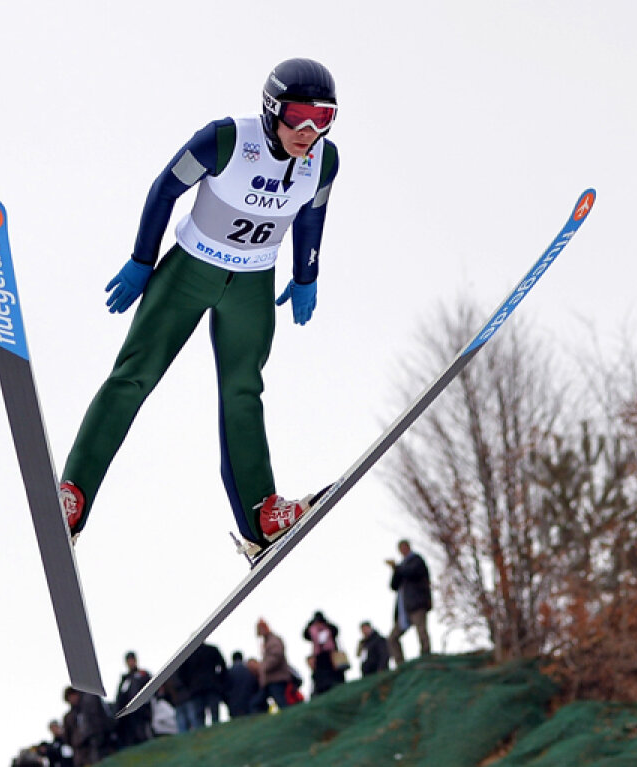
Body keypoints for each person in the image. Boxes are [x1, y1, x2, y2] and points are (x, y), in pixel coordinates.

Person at [56, 57, 341, 554]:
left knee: (243, 392)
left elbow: (313, 216)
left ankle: (262, 520)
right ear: (273, 108)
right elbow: (166, 188)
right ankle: (73, 493)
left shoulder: (325, 160)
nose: (310, 130)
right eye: (299, 114)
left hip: (252, 285)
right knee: (133, 375)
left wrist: (306, 276)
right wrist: (142, 260)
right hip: (190, 271)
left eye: (324, 117)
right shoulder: (225, 139)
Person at [387, 539, 433, 665]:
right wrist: (395, 570)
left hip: (417, 603)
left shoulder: (416, 560)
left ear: (408, 547)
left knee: (422, 631)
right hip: (404, 609)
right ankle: (400, 663)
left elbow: (412, 573)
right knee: (392, 638)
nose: (403, 551)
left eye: (404, 548)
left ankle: (426, 655)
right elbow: (393, 585)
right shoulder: (401, 566)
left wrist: (397, 568)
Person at [174, 642, 227, 730]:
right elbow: (222, 666)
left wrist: (189, 685)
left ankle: (201, 736)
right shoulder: (212, 650)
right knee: (214, 714)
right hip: (211, 685)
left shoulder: (187, 654)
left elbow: (181, 673)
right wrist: (219, 680)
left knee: (199, 718)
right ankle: (217, 731)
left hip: (196, 689)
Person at [62, 687, 115, 766]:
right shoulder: (68, 717)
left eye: (73, 695)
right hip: (81, 754)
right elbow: (67, 737)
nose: (73, 699)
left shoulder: (89, 706)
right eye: (70, 697)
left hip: (98, 746)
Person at [303, 610, 347, 696]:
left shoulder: (329, 629)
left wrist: (325, 624)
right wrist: (312, 624)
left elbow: (336, 630)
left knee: (336, 683)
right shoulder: (313, 630)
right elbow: (305, 635)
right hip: (320, 661)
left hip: (332, 660)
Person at [114, 651, 152, 748]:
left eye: (132, 660)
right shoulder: (125, 679)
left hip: (143, 710)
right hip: (130, 715)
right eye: (129, 661)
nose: (131, 663)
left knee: (145, 733)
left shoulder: (143, 674)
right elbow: (120, 697)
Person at [255, 618, 294, 711]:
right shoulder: (267, 641)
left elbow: (276, 656)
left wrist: (263, 667)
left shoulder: (273, 640)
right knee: (257, 703)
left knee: (282, 703)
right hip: (271, 679)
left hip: (277, 678)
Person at [225, 650, 258, 718]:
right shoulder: (249, 670)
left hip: (234, 704)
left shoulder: (228, 672)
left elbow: (225, 689)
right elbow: (255, 685)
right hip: (249, 702)